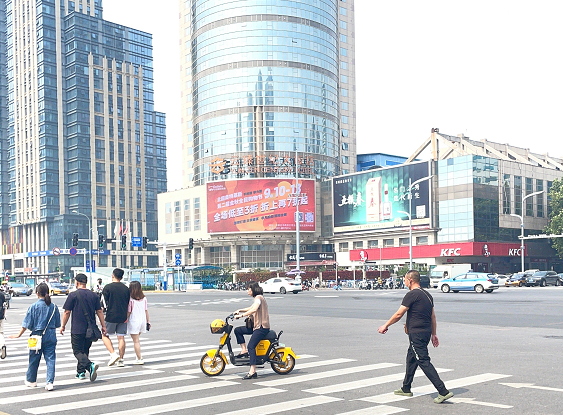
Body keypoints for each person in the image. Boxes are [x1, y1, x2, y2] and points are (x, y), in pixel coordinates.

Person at [378, 270, 453, 404]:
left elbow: (398, 314)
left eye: (405, 280)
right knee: (411, 359)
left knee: (423, 361)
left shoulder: (411, 295)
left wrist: (386, 325)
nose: (404, 282)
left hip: (417, 334)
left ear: (410, 280)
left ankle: (443, 391)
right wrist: (434, 334)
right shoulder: (428, 295)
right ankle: (406, 388)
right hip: (425, 332)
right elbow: (433, 317)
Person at [10, 283, 61, 390]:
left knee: (33, 359)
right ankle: (49, 382)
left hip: (36, 336)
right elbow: (57, 324)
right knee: (50, 359)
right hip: (51, 335)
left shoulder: (33, 307)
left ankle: (31, 380)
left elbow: (26, 324)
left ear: (37, 293)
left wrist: (18, 335)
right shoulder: (54, 307)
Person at [60, 273, 106, 382]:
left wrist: (63, 326)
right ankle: (80, 372)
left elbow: (67, 312)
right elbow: (99, 311)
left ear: (77, 282)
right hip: (90, 328)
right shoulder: (94, 295)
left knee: (77, 351)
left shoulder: (73, 295)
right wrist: (103, 326)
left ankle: (90, 366)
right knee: (84, 351)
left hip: (77, 328)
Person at [233, 282, 270, 380]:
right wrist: (240, 310)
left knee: (251, 346)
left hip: (262, 327)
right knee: (238, 330)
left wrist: (241, 315)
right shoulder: (257, 298)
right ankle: (243, 350)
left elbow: (254, 309)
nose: (247, 291)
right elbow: (251, 308)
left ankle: (252, 371)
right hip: (256, 326)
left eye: (248, 289)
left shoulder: (259, 298)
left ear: (253, 289)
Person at [102, 268, 130, 367]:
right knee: (121, 337)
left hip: (111, 315)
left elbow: (103, 304)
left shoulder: (107, 288)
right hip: (123, 316)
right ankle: (121, 360)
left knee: (104, 335)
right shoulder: (126, 289)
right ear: (122, 277)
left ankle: (113, 354)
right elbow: (128, 303)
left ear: (113, 275)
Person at [127, 281, 150, 365]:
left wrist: (124, 319)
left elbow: (129, 312)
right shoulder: (144, 298)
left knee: (136, 341)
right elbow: (146, 310)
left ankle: (139, 358)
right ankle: (138, 356)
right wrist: (148, 321)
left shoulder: (131, 299)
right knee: (136, 339)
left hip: (134, 321)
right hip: (142, 321)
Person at [0, 288, 7, 359]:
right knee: (1, 333)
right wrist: (3, 315)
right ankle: (2, 345)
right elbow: (5, 306)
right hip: (1, 317)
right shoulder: (2, 295)